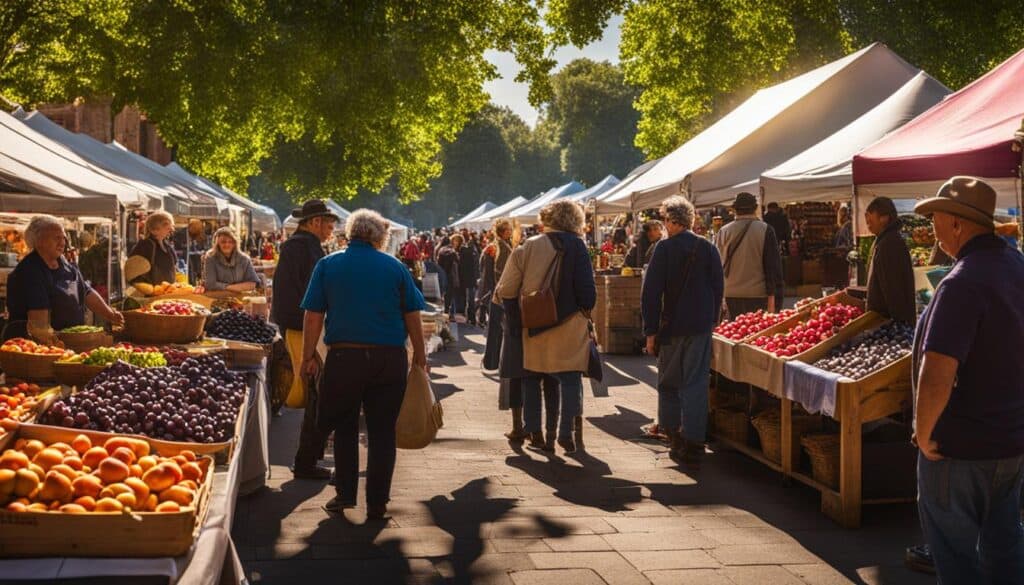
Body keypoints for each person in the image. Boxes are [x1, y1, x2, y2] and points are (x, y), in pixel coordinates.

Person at [909, 177, 1024, 584]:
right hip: (1008, 440)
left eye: (936, 217)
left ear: (957, 223)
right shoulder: (1015, 265)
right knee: (1005, 550)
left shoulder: (961, 283)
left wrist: (923, 433)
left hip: (959, 448)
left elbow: (938, 370)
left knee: (957, 559)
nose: (932, 228)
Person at [300, 209, 427, 519]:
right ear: (379, 237)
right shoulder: (394, 267)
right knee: (383, 431)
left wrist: (307, 356)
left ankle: (345, 494)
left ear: (349, 233)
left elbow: (313, 315)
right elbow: (413, 314)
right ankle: (378, 501)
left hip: (345, 357)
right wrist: (420, 355)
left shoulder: (329, 265)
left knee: (345, 426)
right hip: (389, 358)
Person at [495, 199, 596, 453]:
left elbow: (506, 290)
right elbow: (588, 294)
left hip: (534, 322)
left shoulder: (527, 246)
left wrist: (517, 323)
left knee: (532, 379)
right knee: (570, 379)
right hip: (570, 324)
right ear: (576, 220)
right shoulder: (579, 247)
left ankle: (535, 432)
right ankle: (565, 432)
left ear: (546, 218)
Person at [641, 197, 723, 467]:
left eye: (665, 219)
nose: (664, 224)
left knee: (668, 383)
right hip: (700, 325)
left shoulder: (663, 249)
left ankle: (674, 437)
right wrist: (712, 320)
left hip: (672, 326)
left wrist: (650, 332)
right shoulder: (708, 248)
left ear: (672, 221)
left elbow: (651, 294)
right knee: (696, 383)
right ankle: (695, 442)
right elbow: (718, 288)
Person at [271, 200, 339, 481]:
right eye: (329, 224)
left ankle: (309, 458)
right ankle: (305, 461)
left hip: (302, 325)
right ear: (314, 222)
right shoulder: (301, 247)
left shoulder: (303, 245)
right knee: (315, 393)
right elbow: (298, 294)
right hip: (302, 327)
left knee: (316, 393)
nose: (331, 230)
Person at [5, 216, 123, 342]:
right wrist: (55, 346)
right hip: (35, 347)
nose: (63, 242)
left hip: (69, 341)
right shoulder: (30, 271)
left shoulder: (64, 262)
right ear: (39, 241)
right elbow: (39, 326)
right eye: (57, 238)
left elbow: (86, 291)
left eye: (63, 238)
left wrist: (110, 314)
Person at [713, 192, 783, 318]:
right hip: (758, 294)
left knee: (733, 334)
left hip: (730, 294)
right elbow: (772, 268)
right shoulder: (766, 229)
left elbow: (716, 265)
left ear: (735, 210)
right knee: (756, 334)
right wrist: (774, 300)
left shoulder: (723, 231)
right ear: (755, 208)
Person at [864, 197, 916, 324]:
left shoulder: (889, 244)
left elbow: (894, 290)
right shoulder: (884, 240)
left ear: (884, 218)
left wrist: (899, 326)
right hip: (884, 321)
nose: (867, 223)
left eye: (870, 219)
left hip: (888, 324)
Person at [482, 220, 514, 372]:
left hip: (496, 291)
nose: (510, 231)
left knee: (496, 328)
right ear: (502, 231)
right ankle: (493, 362)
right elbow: (500, 271)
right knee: (498, 329)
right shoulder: (500, 247)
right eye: (508, 229)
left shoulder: (497, 246)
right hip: (500, 292)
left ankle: (492, 361)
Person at [126, 211, 178, 286]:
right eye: (167, 227)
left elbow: (174, 266)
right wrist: (147, 289)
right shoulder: (145, 246)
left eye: (171, 227)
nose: (171, 230)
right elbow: (131, 272)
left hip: (168, 291)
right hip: (152, 294)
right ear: (154, 230)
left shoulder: (167, 245)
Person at [202, 226, 260, 292]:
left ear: (235, 243)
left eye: (230, 242)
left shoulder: (244, 259)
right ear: (217, 243)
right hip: (217, 297)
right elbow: (210, 284)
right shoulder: (210, 257)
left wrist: (222, 286)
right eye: (223, 242)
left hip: (240, 298)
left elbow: (252, 283)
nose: (227, 245)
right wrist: (235, 287)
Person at [436, 235, 462, 319]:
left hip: (442, 274)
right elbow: (457, 263)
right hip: (451, 276)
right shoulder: (453, 252)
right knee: (450, 297)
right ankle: (449, 314)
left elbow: (438, 263)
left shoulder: (440, 250)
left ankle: (445, 314)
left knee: (443, 295)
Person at [459, 233, 480, 324]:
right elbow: (477, 266)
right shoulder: (475, 252)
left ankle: (467, 316)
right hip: (472, 279)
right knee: (471, 299)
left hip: (464, 278)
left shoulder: (462, 251)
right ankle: (472, 318)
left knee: (466, 298)